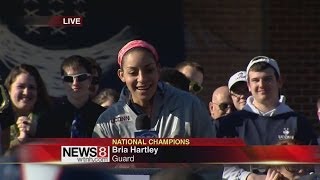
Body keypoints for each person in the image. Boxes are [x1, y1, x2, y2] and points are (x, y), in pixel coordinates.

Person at [217, 56, 318, 180]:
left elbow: (313, 170)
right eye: (255, 80)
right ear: (249, 85)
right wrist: (251, 177)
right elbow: (221, 168)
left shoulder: (298, 122)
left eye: (267, 79)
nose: (261, 85)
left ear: (279, 81)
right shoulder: (232, 124)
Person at [92, 40, 215, 138]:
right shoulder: (108, 120)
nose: (142, 79)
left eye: (149, 70)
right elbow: (101, 167)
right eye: (133, 72)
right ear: (122, 75)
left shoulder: (189, 106)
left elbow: (210, 162)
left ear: (158, 69)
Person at [37, 55, 105, 138]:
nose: (75, 83)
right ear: (63, 81)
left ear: (90, 79)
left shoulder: (104, 116)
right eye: (68, 79)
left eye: (81, 77)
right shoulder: (48, 117)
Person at [4, 64, 51, 151]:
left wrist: (37, 134)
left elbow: (60, 155)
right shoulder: (1, 122)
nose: (26, 92)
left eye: (31, 87)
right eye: (21, 86)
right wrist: (20, 140)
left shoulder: (50, 121)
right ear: (9, 89)